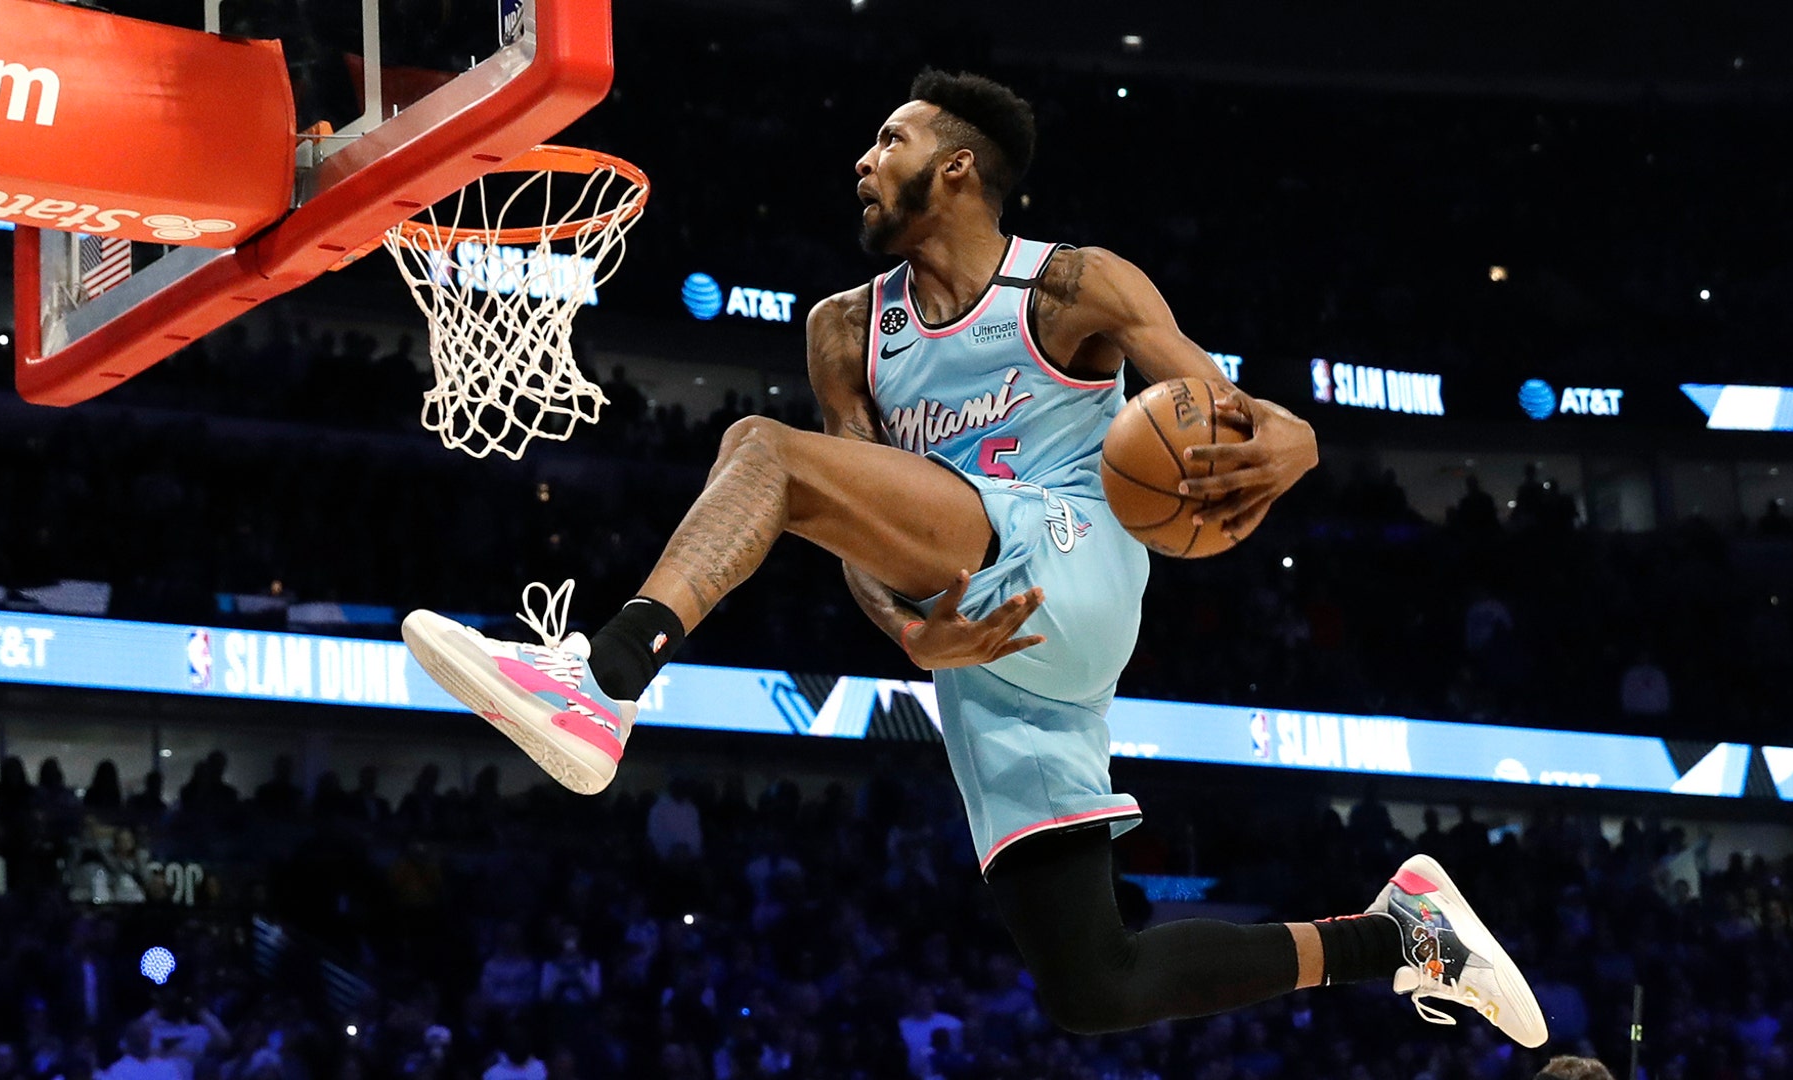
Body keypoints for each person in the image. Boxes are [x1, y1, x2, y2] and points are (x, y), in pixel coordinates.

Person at [401, 69, 1545, 1047]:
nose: (862, 159)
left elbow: (1218, 410)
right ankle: (1401, 935)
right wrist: (905, 631)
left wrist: (1292, 437)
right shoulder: (845, 328)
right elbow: (844, 520)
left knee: (758, 444)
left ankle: (602, 681)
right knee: (1097, 986)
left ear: (957, 170)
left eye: (888, 138)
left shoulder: (1069, 283)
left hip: (1071, 553)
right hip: (976, 643)